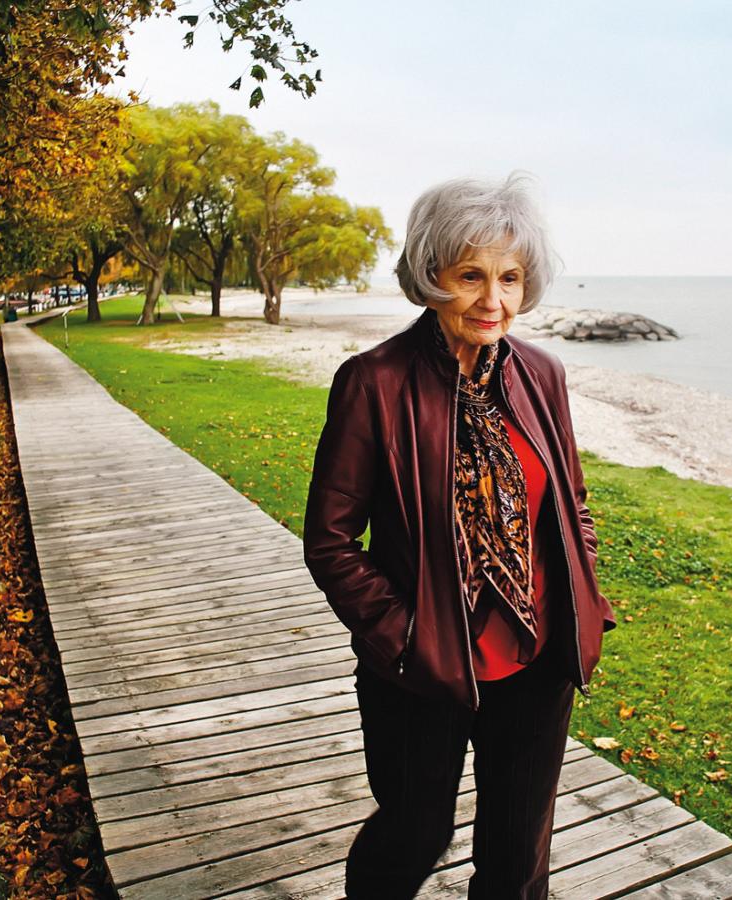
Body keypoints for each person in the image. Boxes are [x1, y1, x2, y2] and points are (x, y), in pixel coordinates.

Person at [303, 173, 616, 899]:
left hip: (535, 661)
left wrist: (583, 597)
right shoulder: (373, 382)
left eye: (510, 278)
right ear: (430, 276)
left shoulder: (542, 374)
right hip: (423, 668)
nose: (492, 300)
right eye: (470, 276)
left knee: (516, 860)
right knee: (412, 837)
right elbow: (331, 541)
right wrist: (405, 636)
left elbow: (571, 503)